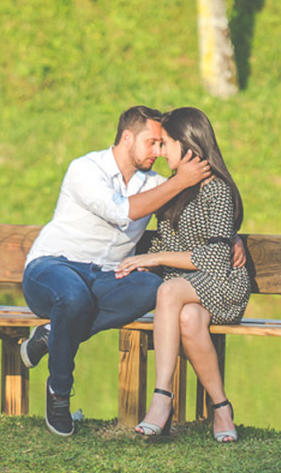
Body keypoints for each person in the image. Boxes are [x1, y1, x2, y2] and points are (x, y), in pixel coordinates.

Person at [20, 105, 212, 439]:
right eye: (152, 143)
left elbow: (198, 209)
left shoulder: (153, 183)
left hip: (107, 279)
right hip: (52, 267)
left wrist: (228, 238)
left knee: (151, 287)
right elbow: (122, 211)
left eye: (162, 144)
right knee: (73, 296)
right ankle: (59, 392)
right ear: (127, 138)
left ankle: (52, 335)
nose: (158, 152)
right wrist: (179, 181)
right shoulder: (85, 169)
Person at [116, 107, 251, 445]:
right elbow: (165, 243)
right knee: (189, 319)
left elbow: (217, 259)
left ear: (187, 144)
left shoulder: (217, 190)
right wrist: (144, 260)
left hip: (223, 286)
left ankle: (162, 397)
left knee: (169, 292)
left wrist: (156, 257)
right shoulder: (173, 190)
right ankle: (221, 407)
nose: (161, 152)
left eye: (166, 144)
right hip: (187, 292)